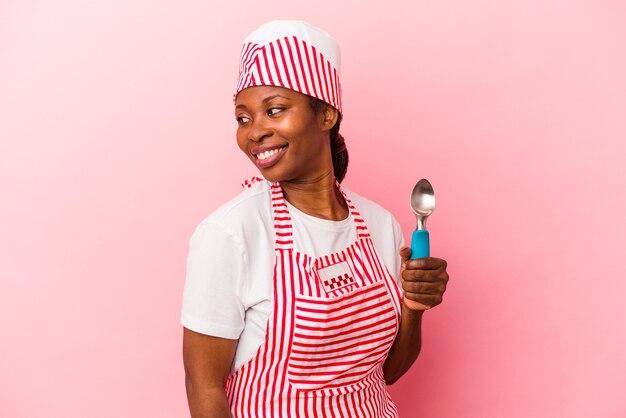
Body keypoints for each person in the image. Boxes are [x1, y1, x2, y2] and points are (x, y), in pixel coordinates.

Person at [181, 20, 449, 418]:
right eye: (243, 118)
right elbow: (203, 388)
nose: (254, 132)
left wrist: (413, 307)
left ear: (325, 115)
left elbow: (389, 371)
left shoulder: (381, 224)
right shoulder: (231, 233)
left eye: (274, 110)